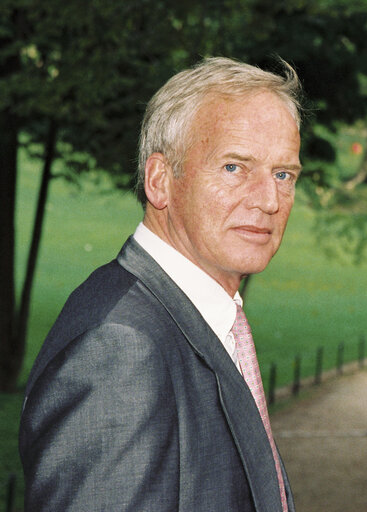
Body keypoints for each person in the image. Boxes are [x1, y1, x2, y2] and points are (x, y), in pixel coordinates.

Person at [19, 57, 302, 512]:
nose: (269, 200)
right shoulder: (119, 347)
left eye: (284, 174)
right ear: (160, 180)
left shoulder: (197, 318)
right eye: (234, 167)